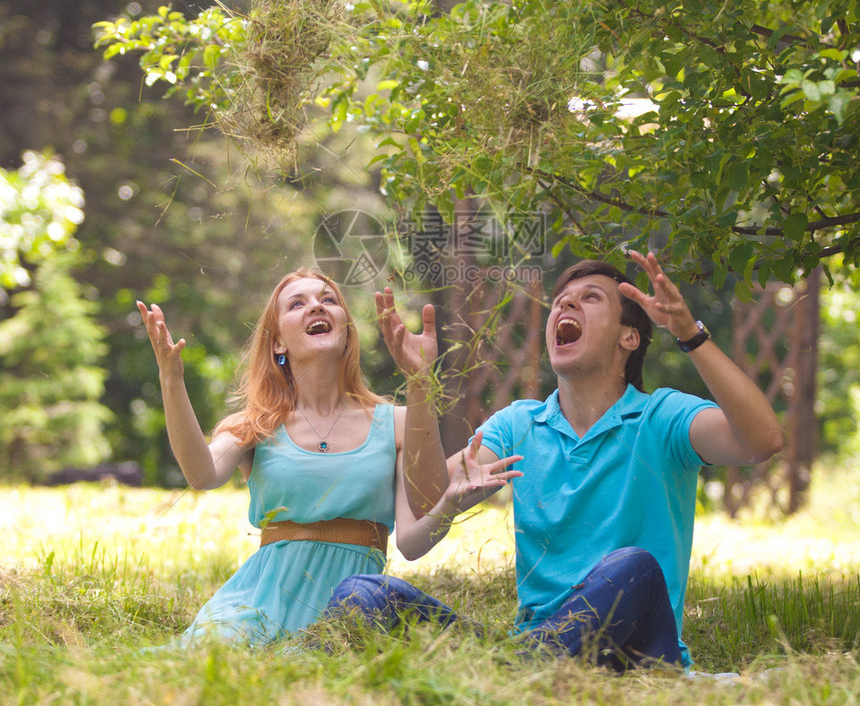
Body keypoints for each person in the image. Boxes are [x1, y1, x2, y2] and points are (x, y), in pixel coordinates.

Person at [325, 251, 784, 670]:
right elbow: (424, 502)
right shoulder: (519, 424)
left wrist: (688, 333)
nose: (566, 307)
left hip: (638, 654)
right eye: (561, 301)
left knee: (635, 567)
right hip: (532, 647)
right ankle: (521, 668)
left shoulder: (662, 417)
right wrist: (419, 382)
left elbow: (761, 440)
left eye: (590, 298)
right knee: (362, 593)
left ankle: (509, 672)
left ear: (630, 336)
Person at [136, 269, 512, 646]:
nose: (316, 305)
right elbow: (202, 474)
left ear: (347, 329)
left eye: (328, 299)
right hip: (256, 605)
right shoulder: (256, 423)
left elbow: (412, 544)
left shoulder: (395, 423)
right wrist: (171, 380)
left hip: (350, 606)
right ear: (278, 343)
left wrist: (421, 382)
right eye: (297, 303)